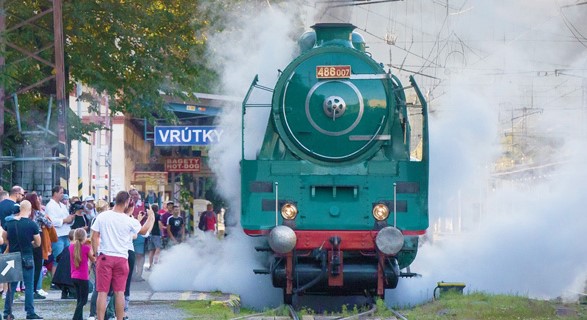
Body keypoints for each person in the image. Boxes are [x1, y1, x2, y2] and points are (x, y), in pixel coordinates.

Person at [90, 191, 154, 320]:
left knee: (102, 292)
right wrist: (151, 216)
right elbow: (144, 230)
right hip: (121, 259)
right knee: (120, 292)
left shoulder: (102, 216)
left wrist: (96, 253)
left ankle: (99, 318)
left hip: (105, 257)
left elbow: (94, 236)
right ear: (126, 202)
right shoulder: (128, 220)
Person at [2, 200, 43, 320]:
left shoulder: (8, 223)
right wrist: (30, 244)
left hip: (12, 256)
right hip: (27, 256)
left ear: (20, 209)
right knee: (29, 286)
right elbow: (38, 242)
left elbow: (4, 239)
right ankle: (30, 313)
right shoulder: (32, 224)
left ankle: (7, 313)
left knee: (11, 286)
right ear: (30, 210)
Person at [24, 193, 52, 300]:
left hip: (26, 239)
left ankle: (26, 288)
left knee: (27, 265)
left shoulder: (23, 214)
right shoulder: (38, 213)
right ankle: (35, 289)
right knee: (37, 265)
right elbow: (49, 224)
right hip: (37, 239)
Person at [46, 186, 76, 277]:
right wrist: (64, 220)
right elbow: (51, 221)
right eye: (61, 192)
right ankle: (55, 280)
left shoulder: (63, 205)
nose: (62, 195)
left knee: (67, 257)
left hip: (66, 233)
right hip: (57, 235)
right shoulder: (50, 206)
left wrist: (71, 219)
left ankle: (64, 277)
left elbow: (67, 218)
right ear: (55, 193)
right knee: (58, 258)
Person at [70, 228, 95, 320]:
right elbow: (93, 259)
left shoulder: (71, 247)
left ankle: (79, 318)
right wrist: (91, 246)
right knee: (83, 301)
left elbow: (77, 245)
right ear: (84, 237)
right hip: (83, 277)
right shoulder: (86, 248)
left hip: (73, 276)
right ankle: (75, 317)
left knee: (79, 299)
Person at [146, 204, 162, 269]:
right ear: (157, 209)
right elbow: (160, 224)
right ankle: (156, 263)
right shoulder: (158, 216)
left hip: (150, 234)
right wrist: (162, 232)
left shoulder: (149, 216)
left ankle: (150, 265)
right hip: (156, 234)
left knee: (151, 250)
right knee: (158, 248)